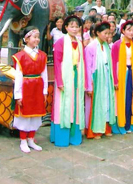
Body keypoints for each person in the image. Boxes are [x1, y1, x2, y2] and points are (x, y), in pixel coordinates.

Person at [12, 26, 47, 153]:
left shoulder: (42, 55)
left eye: (38, 37)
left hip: (37, 87)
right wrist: (18, 95)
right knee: (25, 114)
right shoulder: (20, 56)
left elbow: (44, 74)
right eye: (34, 37)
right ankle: (23, 140)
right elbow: (18, 76)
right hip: (26, 88)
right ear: (26, 39)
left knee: (36, 114)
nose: (37, 39)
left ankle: (31, 139)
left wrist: (44, 91)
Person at [51, 15, 85, 147]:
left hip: (76, 76)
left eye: (77, 26)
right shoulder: (60, 42)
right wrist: (59, 81)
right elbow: (57, 63)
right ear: (66, 27)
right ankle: (61, 137)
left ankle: (74, 135)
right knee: (63, 106)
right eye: (72, 26)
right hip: (65, 77)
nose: (75, 29)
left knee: (75, 105)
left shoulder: (79, 43)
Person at [84, 22, 116, 139]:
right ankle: (95, 130)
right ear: (97, 33)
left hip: (107, 75)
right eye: (105, 33)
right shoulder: (91, 47)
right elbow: (88, 67)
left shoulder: (107, 46)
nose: (107, 36)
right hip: (96, 77)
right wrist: (89, 85)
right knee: (97, 103)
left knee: (107, 101)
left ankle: (106, 127)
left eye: (109, 33)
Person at [111, 21, 133, 134]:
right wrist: (115, 80)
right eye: (129, 30)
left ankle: (129, 123)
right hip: (121, 73)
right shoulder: (116, 45)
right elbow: (113, 62)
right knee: (121, 99)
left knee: (131, 98)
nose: (131, 32)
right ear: (123, 31)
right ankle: (120, 123)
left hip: (132, 73)